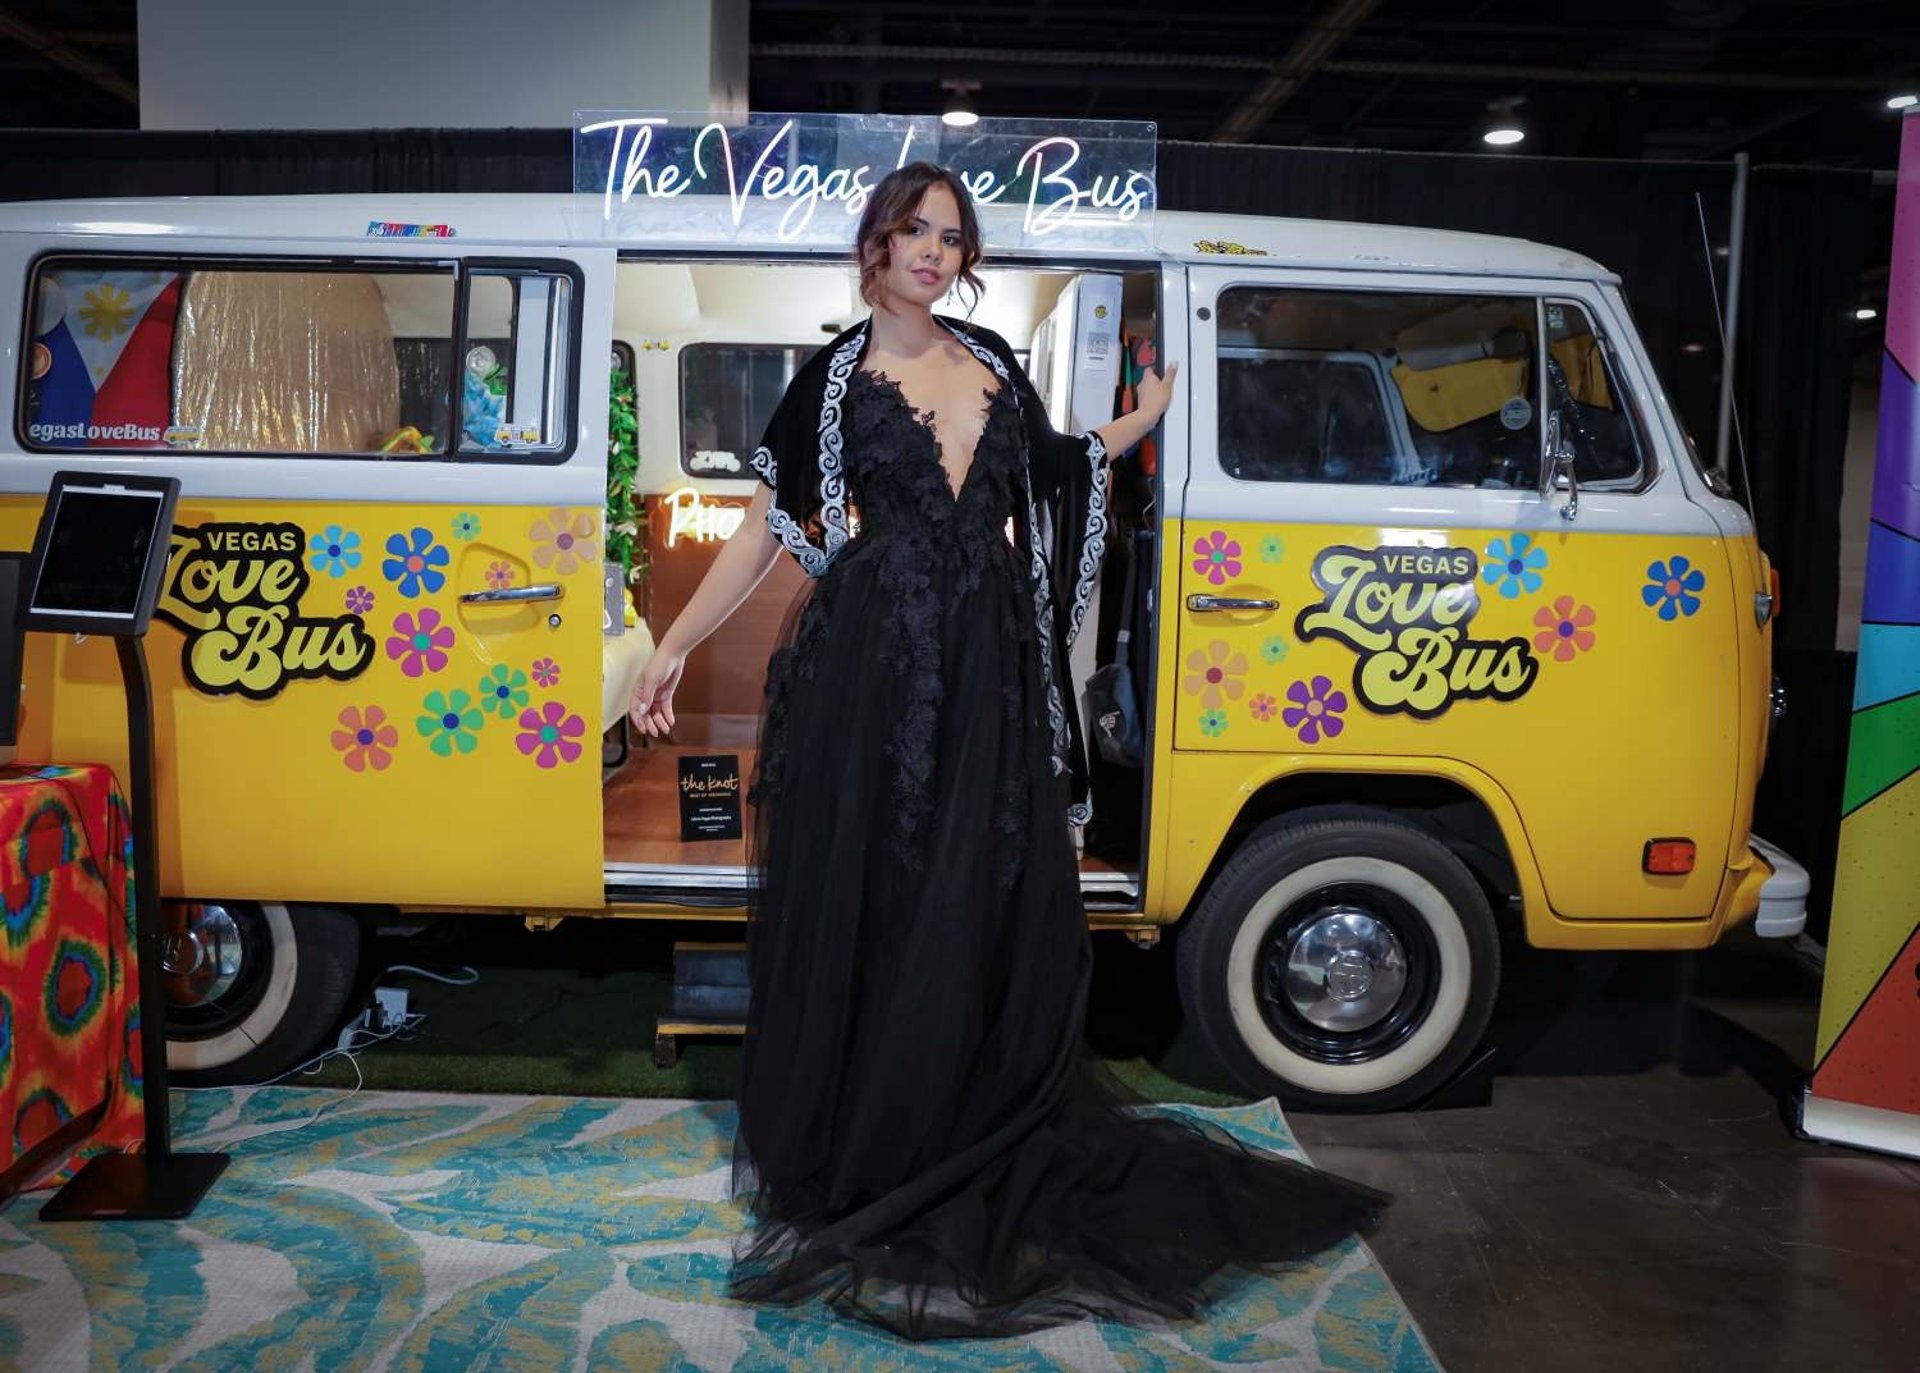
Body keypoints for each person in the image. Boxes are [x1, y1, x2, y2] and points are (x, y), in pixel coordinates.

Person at [629, 162, 1386, 1341]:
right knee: (887, 892)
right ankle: (878, 1139)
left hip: (988, 663)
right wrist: (670, 644)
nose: (935, 250)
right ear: (875, 244)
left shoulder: (989, 360)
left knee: (976, 890)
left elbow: (1055, 473)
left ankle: (966, 1118)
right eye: (915, 230)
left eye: (952, 236)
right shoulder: (829, 382)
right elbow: (768, 531)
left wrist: (1132, 427)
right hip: (877, 667)